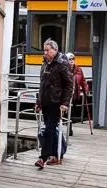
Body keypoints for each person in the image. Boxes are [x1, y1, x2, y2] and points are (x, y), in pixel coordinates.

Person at [35, 39, 73, 168]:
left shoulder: (62, 64)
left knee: (49, 130)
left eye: (47, 50)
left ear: (55, 50)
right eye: (44, 50)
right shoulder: (45, 63)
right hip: (46, 102)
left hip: (56, 102)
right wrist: (38, 102)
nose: (45, 52)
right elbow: (42, 85)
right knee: (50, 129)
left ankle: (43, 157)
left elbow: (69, 85)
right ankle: (58, 154)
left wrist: (65, 103)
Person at [65, 52, 89, 136]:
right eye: (70, 59)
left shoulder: (78, 69)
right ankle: (68, 128)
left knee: (71, 112)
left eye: (73, 59)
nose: (72, 61)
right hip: (65, 95)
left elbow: (83, 81)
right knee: (65, 111)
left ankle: (69, 127)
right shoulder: (64, 69)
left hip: (74, 95)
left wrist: (85, 89)